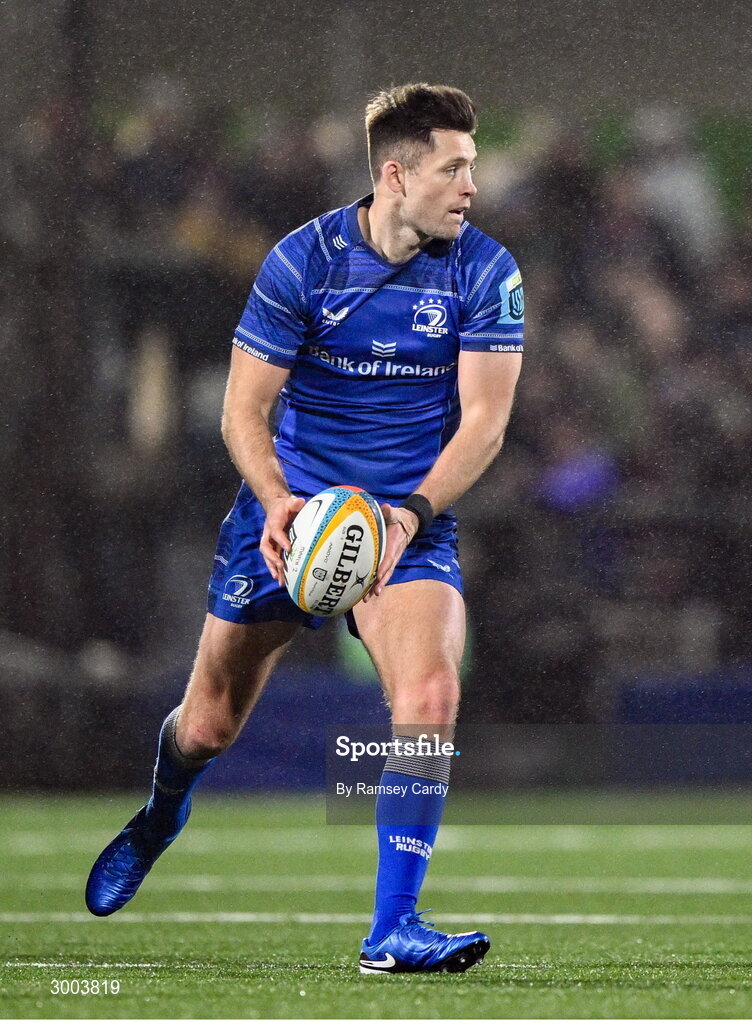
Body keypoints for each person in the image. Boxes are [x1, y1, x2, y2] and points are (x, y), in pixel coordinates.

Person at [86, 83, 524, 975]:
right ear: (396, 176)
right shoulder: (304, 260)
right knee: (209, 725)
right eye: (454, 169)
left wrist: (409, 514)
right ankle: (165, 809)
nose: (471, 186)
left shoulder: (485, 269)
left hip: (409, 523)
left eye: (472, 168)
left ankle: (391, 930)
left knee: (430, 702)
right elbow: (244, 412)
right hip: (290, 517)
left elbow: (482, 423)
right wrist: (279, 502)